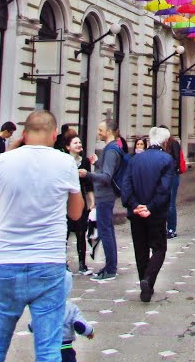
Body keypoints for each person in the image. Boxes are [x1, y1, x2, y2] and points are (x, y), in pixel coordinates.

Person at [0, 110, 84, 362]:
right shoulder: (65, 162)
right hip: (48, 263)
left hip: (7, 262)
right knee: (48, 350)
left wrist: (9, 152)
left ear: (23, 134)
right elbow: (76, 213)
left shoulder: (4, 161)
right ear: (55, 134)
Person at [119, 126, 176, 303]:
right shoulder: (167, 159)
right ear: (165, 142)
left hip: (136, 214)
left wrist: (135, 205)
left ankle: (145, 288)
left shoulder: (135, 160)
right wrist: (149, 207)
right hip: (156, 213)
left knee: (140, 249)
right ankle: (148, 280)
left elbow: (126, 186)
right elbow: (164, 189)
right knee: (159, 248)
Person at [80, 119, 123, 282]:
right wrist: (97, 163)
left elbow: (106, 177)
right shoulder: (111, 149)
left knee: (106, 231)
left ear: (109, 132)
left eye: (100, 130)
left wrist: (87, 174)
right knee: (107, 230)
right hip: (105, 195)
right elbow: (106, 171)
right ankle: (110, 266)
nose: (98, 132)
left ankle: (111, 268)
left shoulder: (111, 150)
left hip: (105, 195)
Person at [66, 135, 94, 276]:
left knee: (81, 232)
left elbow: (88, 183)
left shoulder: (85, 162)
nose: (78, 144)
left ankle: (82, 264)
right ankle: (62, 263)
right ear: (68, 146)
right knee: (64, 233)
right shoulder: (63, 161)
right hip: (65, 199)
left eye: (80, 141)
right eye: (75, 142)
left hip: (80, 199)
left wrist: (91, 200)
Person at [160, 126, 182, 238]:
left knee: (170, 204)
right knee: (162, 203)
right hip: (162, 177)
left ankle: (171, 229)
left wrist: (167, 170)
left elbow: (176, 160)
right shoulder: (160, 145)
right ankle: (162, 228)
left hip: (172, 176)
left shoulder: (173, 143)